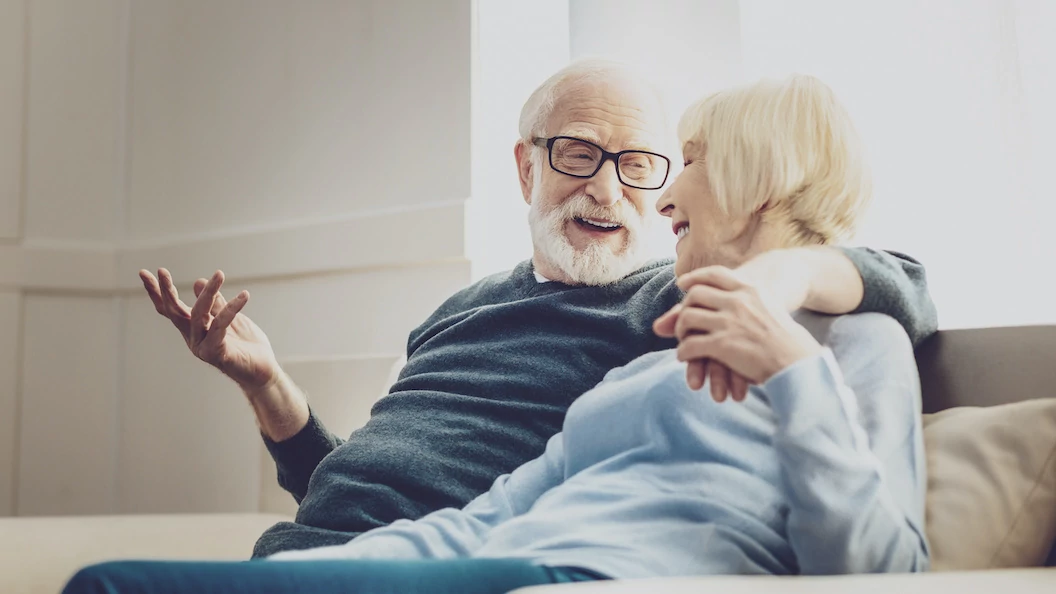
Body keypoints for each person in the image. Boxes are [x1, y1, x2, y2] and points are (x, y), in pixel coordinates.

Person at [65, 73, 928, 594]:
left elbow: (900, 281)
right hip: (404, 555)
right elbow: (481, 509)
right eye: (580, 154)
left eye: (657, 164)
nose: (634, 192)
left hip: (540, 574)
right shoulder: (509, 327)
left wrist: (784, 303)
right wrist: (271, 398)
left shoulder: (675, 309)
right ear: (526, 166)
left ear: (760, 179)